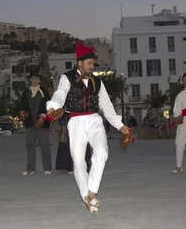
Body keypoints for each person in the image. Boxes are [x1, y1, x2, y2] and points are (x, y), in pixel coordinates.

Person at [47, 42, 130, 215]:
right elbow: (60, 93)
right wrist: (53, 106)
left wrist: (119, 125)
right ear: (80, 63)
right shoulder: (67, 77)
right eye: (90, 63)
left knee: (102, 151)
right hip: (75, 123)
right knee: (78, 163)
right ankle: (87, 198)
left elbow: (106, 105)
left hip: (94, 120)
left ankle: (92, 191)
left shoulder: (98, 82)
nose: (92, 67)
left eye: (93, 64)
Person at [18, 71, 52, 175]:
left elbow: (50, 107)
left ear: (39, 80)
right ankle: (30, 168)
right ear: (29, 80)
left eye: (36, 78)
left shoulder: (44, 92)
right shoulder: (26, 92)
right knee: (30, 145)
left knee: (45, 145)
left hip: (43, 123)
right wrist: (22, 112)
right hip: (30, 123)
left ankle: (47, 168)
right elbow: (21, 106)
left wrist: (44, 116)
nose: (34, 80)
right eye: (32, 78)